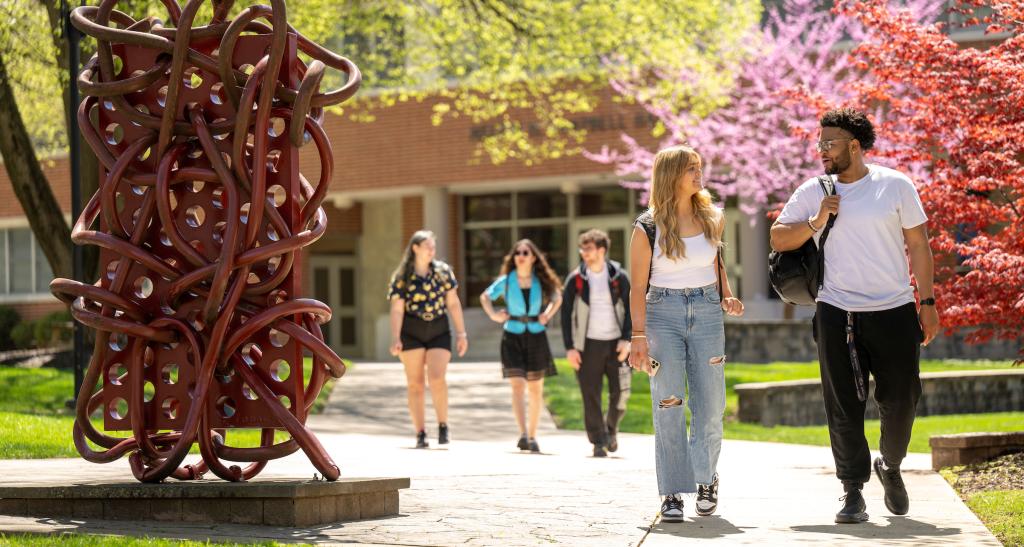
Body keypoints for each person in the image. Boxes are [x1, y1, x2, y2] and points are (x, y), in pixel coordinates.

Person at [770, 108, 939, 524]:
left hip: (895, 309)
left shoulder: (895, 185)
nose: (822, 150)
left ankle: (892, 464)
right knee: (843, 404)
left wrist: (929, 302)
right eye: (820, 143)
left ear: (855, 146)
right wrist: (817, 219)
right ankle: (852, 490)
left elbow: (918, 244)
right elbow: (778, 236)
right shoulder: (814, 190)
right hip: (836, 311)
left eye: (830, 143)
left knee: (902, 398)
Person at [628, 145, 744, 522]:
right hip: (663, 313)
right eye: (690, 168)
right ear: (670, 175)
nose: (699, 173)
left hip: (708, 312)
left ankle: (706, 479)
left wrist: (726, 295)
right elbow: (637, 287)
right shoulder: (647, 226)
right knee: (669, 403)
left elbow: (716, 262)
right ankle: (673, 493)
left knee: (711, 406)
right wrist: (638, 335)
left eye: (699, 167)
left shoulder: (713, 216)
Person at [480, 239, 563, 454]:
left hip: (536, 336)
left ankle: (533, 436)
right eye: (517, 252)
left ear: (533, 257)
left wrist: (548, 314)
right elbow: (485, 297)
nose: (521, 255)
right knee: (517, 385)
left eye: (526, 252)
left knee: (535, 388)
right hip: (512, 335)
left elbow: (557, 297)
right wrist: (493, 315)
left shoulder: (540, 280)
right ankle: (523, 434)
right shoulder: (506, 280)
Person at [388, 230, 468, 449]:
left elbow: (453, 303)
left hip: (439, 328)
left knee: (436, 378)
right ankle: (420, 432)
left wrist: (461, 333)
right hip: (411, 330)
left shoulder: (443, 272)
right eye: (427, 247)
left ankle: (443, 425)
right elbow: (396, 310)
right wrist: (395, 337)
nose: (432, 251)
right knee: (415, 384)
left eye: (434, 247)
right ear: (415, 248)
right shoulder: (402, 276)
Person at [561, 229, 633, 458]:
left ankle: (611, 429)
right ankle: (598, 441)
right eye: (583, 249)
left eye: (589, 249)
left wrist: (627, 339)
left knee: (621, 392)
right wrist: (570, 347)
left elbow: (632, 309)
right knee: (590, 394)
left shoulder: (619, 277)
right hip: (587, 345)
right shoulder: (576, 279)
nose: (584, 253)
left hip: (616, 345)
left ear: (602, 250)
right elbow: (565, 314)